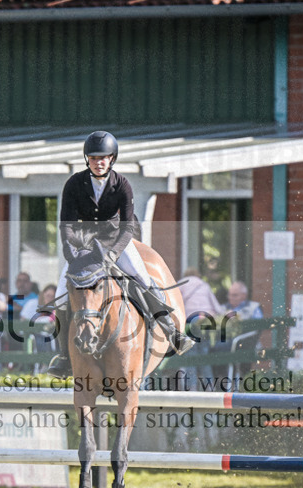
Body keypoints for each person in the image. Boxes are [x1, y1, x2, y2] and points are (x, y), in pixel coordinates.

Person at [47, 131, 194, 378]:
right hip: (85, 246)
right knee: (62, 293)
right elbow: (67, 226)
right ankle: (63, 356)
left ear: (112, 158)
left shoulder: (121, 184)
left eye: (103, 157)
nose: (98, 162)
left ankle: (172, 332)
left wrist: (113, 254)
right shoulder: (74, 184)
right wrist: (73, 256)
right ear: (87, 160)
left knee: (143, 279)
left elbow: (127, 228)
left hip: (118, 242)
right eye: (93, 157)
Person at [178, 268, 224, 390]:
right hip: (206, 322)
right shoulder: (204, 285)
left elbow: (176, 304)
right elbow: (217, 308)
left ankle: (192, 388)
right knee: (204, 356)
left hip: (190, 323)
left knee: (190, 356)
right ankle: (209, 387)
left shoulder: (181, 285)